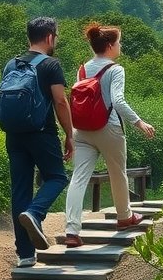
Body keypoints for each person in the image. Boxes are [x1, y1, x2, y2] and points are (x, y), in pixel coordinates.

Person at [63, 22, 157, 248]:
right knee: (118, 173)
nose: (120, 45)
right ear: (110, 46)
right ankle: (125, 217)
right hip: (109, 129)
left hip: (82, 130)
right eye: (119, 42)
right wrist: (139, 122)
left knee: (78, 178)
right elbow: (118, 101)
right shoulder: (115, 69)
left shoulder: (82, 70)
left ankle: (72, 231)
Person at [5, 17, 74, 267]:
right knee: (57, 177)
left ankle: (24, 255)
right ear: (49, 37)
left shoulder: (10, 65)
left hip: (13, 134)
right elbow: (60, 101)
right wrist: (69, 134)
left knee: (20, 190)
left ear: (28, 37)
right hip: (42, 132)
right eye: (56, 36)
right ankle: (35, 213)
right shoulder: (51, 65)